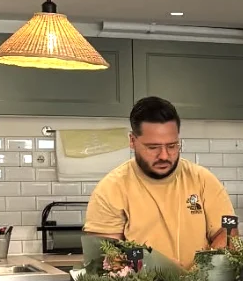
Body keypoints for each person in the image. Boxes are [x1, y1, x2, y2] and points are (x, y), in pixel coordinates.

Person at [83, 95, 235, 268]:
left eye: (172, 146)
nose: (164, 156)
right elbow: (102, 259)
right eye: (153, 147)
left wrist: (200, 273)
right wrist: (154, 268)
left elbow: (228, 233)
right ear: (132, 141)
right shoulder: (111, 189)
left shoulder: (204, 180)